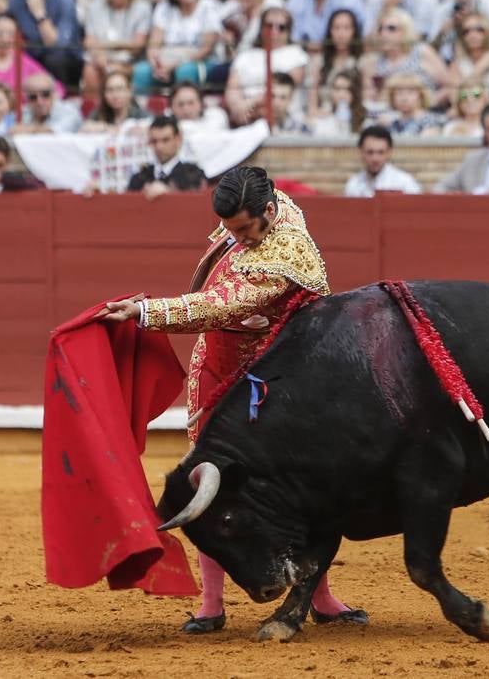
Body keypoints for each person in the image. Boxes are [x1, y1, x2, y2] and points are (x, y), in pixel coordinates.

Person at [96, 165, 364, 633]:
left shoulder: (283, 257)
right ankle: (210, 604)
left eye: (241, 229)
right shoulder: (261, 205)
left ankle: (320, 597)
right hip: (220, 369)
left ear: (268, 210)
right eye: (228, 228)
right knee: (208, 484)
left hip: (276, 387)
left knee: (300, 491)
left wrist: (143, 312)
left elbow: (215, 305)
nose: (233, 237)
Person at [9, 0, 83, 90]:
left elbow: (57, 45)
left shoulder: (64, 0)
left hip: (65, 58)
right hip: (32, 55)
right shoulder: (15, 3)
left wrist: (40, 14)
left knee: (54, 59)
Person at [126, 115, 207, 199]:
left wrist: (169, 192)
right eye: (154, 141)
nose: (159, 147)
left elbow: (197, 204)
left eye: (165, 140)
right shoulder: (140, 177)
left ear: (178, 139)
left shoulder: (194, 174)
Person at [344, 124, 421, 196]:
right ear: (361, 152)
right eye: (370, 152)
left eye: (380, 152)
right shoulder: (353, 184)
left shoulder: (404, 183)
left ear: (389, 152)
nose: (375, 158)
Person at [12, 71, 83, 135]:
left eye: (45, 94)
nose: (39, 101)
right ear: (27, 98)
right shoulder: (24, 112)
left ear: (54, 94)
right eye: (32, 97)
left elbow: (55, 132)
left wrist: (30, 129)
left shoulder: (69, 111)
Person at [380, 72, 444, 136]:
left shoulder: (430, 121)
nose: (404, 98)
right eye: (399, 93)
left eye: (410, 93)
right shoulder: (389, 122)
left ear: (421, 95)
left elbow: (425, 143)